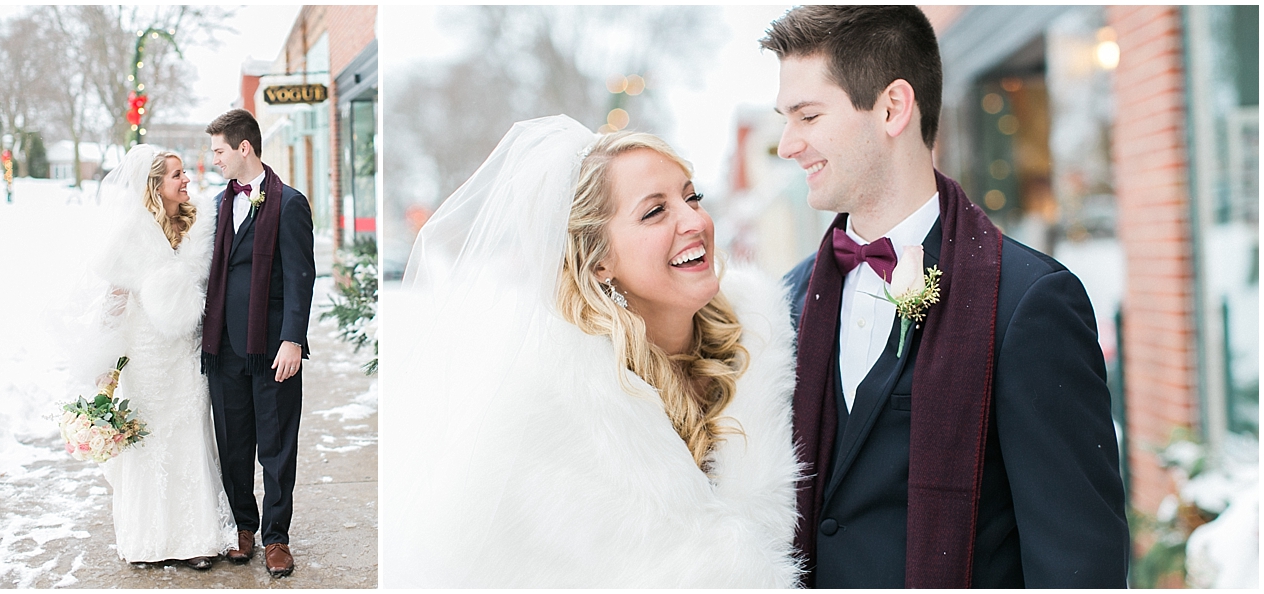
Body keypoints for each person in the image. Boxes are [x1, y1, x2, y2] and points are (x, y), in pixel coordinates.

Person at [760, 5, 1130, 588]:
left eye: (807, 116)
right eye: (785, 118)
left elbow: (1078, 564)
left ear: (892, 107)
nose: (787, 145)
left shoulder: (1028, 303)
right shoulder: (786, 301)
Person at [383, 115, 800, 587]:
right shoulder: (541, 416)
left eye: (691, 196)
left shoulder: (771, 345)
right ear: (599, 260)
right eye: (654, 212)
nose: (694, 221)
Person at [89, 144, 237, 568]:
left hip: (186, 353)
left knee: (190, 435)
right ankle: (149, 540)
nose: (186, 179)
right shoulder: (130, 237)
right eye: (176, 175)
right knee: (150, 443)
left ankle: (196, 539)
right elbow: (113, 303)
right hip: (146, 354)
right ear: (156, 186)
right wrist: (106, 365)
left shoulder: (198, 227)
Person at [200, 109, 315, 578]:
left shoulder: (289, 203)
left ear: (243, 147)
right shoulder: (218, 204)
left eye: (219, 151)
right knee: (234, 442)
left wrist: (292, 338)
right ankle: (244, 528)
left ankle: (276, 537)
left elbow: (300, 277)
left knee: (276, 445)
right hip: (225, 347)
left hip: (271, 349)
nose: (214, 161)